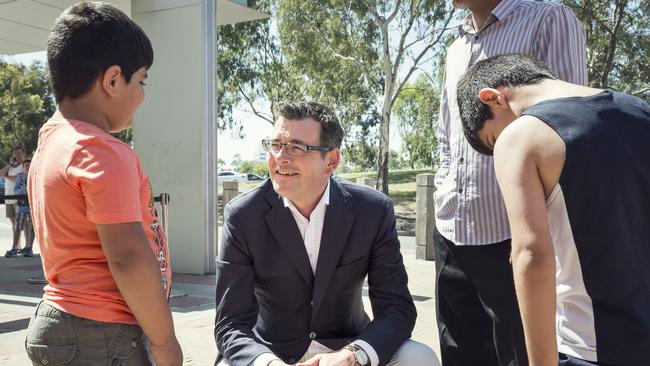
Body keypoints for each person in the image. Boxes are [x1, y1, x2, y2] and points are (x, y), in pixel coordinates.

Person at [457, 53, 650, 366]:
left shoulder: (523, 136)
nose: (501, 144)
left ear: (493, 98)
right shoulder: (639, 111)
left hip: (589, 345)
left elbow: (532, 254)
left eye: (494, 138)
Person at [215, 101, 436, 366]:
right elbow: (230, 324)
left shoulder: (372, 211)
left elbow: (396, 309)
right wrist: (269, 364)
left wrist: (356, 354)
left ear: (331, 160)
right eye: (275, 145)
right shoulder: (243, 215)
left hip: (347, 345)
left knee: (420, 357)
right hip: (272, 351)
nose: (280, 157)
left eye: (297, 147)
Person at [25, 3, 181, 366]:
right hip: (103, 333)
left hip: (58, 320)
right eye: (141, 81)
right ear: (112, 80)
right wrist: (164, 342)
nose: (143, 95)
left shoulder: (51, 143)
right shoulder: (103, 151)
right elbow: (127, 256)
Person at [433, 0, 587, 364]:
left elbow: (570, 126)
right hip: (452, 233)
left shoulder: (549, 19)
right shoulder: (456, 46)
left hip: (514, 237)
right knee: (459, 355)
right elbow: (446, 133)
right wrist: (443, 194)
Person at [5, 159, 34, 258]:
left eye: (30, 165)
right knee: (17, 227)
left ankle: (29, 247)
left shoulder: (35, 176)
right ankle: (14, 247)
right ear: (24, 167)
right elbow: (15, 190)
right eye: (26, 166)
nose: (28, 167)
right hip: (21, 206)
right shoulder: (20, 177)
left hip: (31, 206)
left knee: (31, 227)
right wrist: (24, 190)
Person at [1, 146, 27, 252]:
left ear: (24, 154)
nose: (17, 155)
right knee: (14, 224)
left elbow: (18, 178)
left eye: (19, 153)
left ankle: (27, 246)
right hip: (8, 198)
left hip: (19, 198)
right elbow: (1, 173)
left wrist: (6, 176)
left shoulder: (24, 166)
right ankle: (17, 246)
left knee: (23, 223)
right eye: (15, 153)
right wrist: (10, 165)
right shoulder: (11, 167)